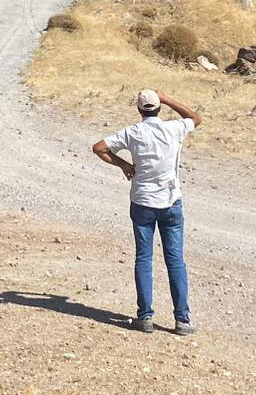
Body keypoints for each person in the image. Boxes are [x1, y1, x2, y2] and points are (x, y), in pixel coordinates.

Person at [90, 90, 203, 335]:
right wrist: (170, 98)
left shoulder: (133, 132)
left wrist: (124, 165)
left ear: (139, 109)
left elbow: (99, 148)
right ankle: (182, 320)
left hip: (142, 201)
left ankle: (145, 317)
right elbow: (196, 118)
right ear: (159, 107)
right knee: (175, 261)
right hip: (171, 201)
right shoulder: (174, 129)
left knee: (144, 258)